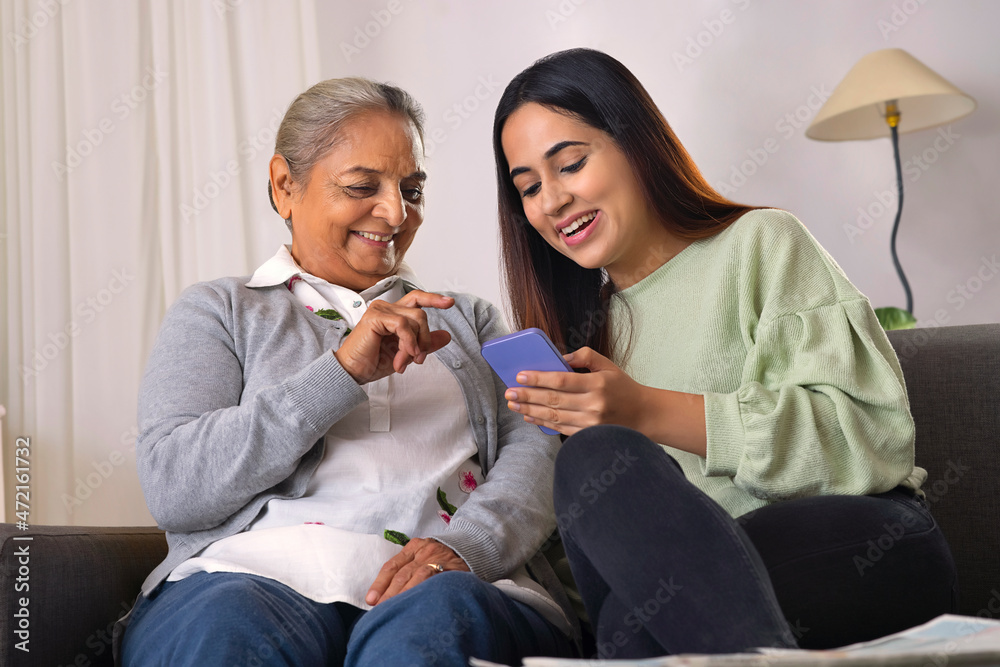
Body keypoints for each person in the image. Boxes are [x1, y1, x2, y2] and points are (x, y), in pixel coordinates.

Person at [492, 48, 958, 659]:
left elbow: (871, 441)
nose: (551, 201)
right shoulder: (582, 334)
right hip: (693, 591)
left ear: (636, 143)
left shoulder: (762, 244)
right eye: (528, 188)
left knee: (635, 606)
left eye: (571, 164)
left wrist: (644, 410)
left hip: (857, 541)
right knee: (618, 587)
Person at [117, 77, 577, 666]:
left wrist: (467, 546)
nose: (395, 213)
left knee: (428, 633)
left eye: (412, 190)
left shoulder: (471, 318)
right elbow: (177, 489)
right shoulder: (220, 310)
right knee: (225, 634)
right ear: (285, 186)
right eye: (362, 186)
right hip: (253, 578)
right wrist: (339, 373)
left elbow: (540, 447)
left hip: (449, 583)